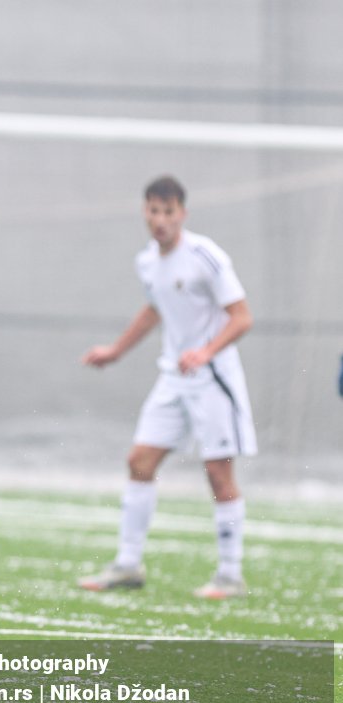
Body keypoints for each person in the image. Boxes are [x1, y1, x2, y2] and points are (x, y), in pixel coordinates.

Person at [79, 175, 255, 600]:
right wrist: (116, 350)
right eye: (154, 212)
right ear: (146, 213)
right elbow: (155, 309)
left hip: (212, 377)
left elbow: (242, 317)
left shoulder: (205, 256)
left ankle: (230, 575)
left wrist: (205, 352)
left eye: (168, 212)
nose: (160, 220)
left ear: (182, 214)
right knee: (140, 461)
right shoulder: (147, 262)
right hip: (172, 377)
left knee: (218, 472)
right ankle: (127, 565)